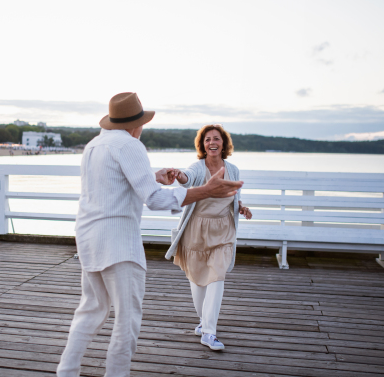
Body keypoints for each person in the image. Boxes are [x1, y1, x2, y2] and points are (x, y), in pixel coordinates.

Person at [57, 94, 244, 377]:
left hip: (87, 238)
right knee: (127, 319)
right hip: (119, 244)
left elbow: (113, 184)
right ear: (136, 124)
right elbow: (155, 200)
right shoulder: (131, 145)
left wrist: (151, 176)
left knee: (91, 310)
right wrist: (207, 190)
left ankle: (66, 372)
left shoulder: (94, 145)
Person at [165, 124, 253, 351]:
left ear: (223, 143)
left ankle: (209, 333)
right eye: (207, 139)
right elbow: (188, 179)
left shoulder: (233, 169)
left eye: (216, 139)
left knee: (217, 277)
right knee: (197, 280)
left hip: (223, 230)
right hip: (197, 229)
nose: (212, 142)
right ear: (202, 145)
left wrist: (241, 207)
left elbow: (233, 197)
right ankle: (204, 321)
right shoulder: (197, 167)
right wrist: (179, 175)